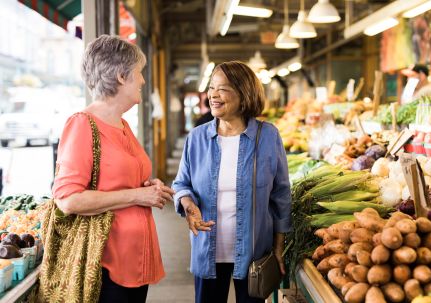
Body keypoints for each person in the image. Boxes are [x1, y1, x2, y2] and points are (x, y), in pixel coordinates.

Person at [52, 35, 174, 302]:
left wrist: (147, 186)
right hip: (106, 263)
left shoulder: (122, 125)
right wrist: (137, 195)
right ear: (121, 76)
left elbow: (120, 178)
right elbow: (67, 199)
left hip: (135, 258)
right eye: (139, 73)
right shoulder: (82, 124)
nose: (142, 81)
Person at [172, 61, 291, 303]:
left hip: (254, 253)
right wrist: (187, 203)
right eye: (211, 88)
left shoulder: (267, 136)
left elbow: (281, 195)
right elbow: (181, 183)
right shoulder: (197, 138)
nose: (213, 95)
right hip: (207, 251)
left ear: (244, 93)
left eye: (223, 88)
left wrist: (279, 247)